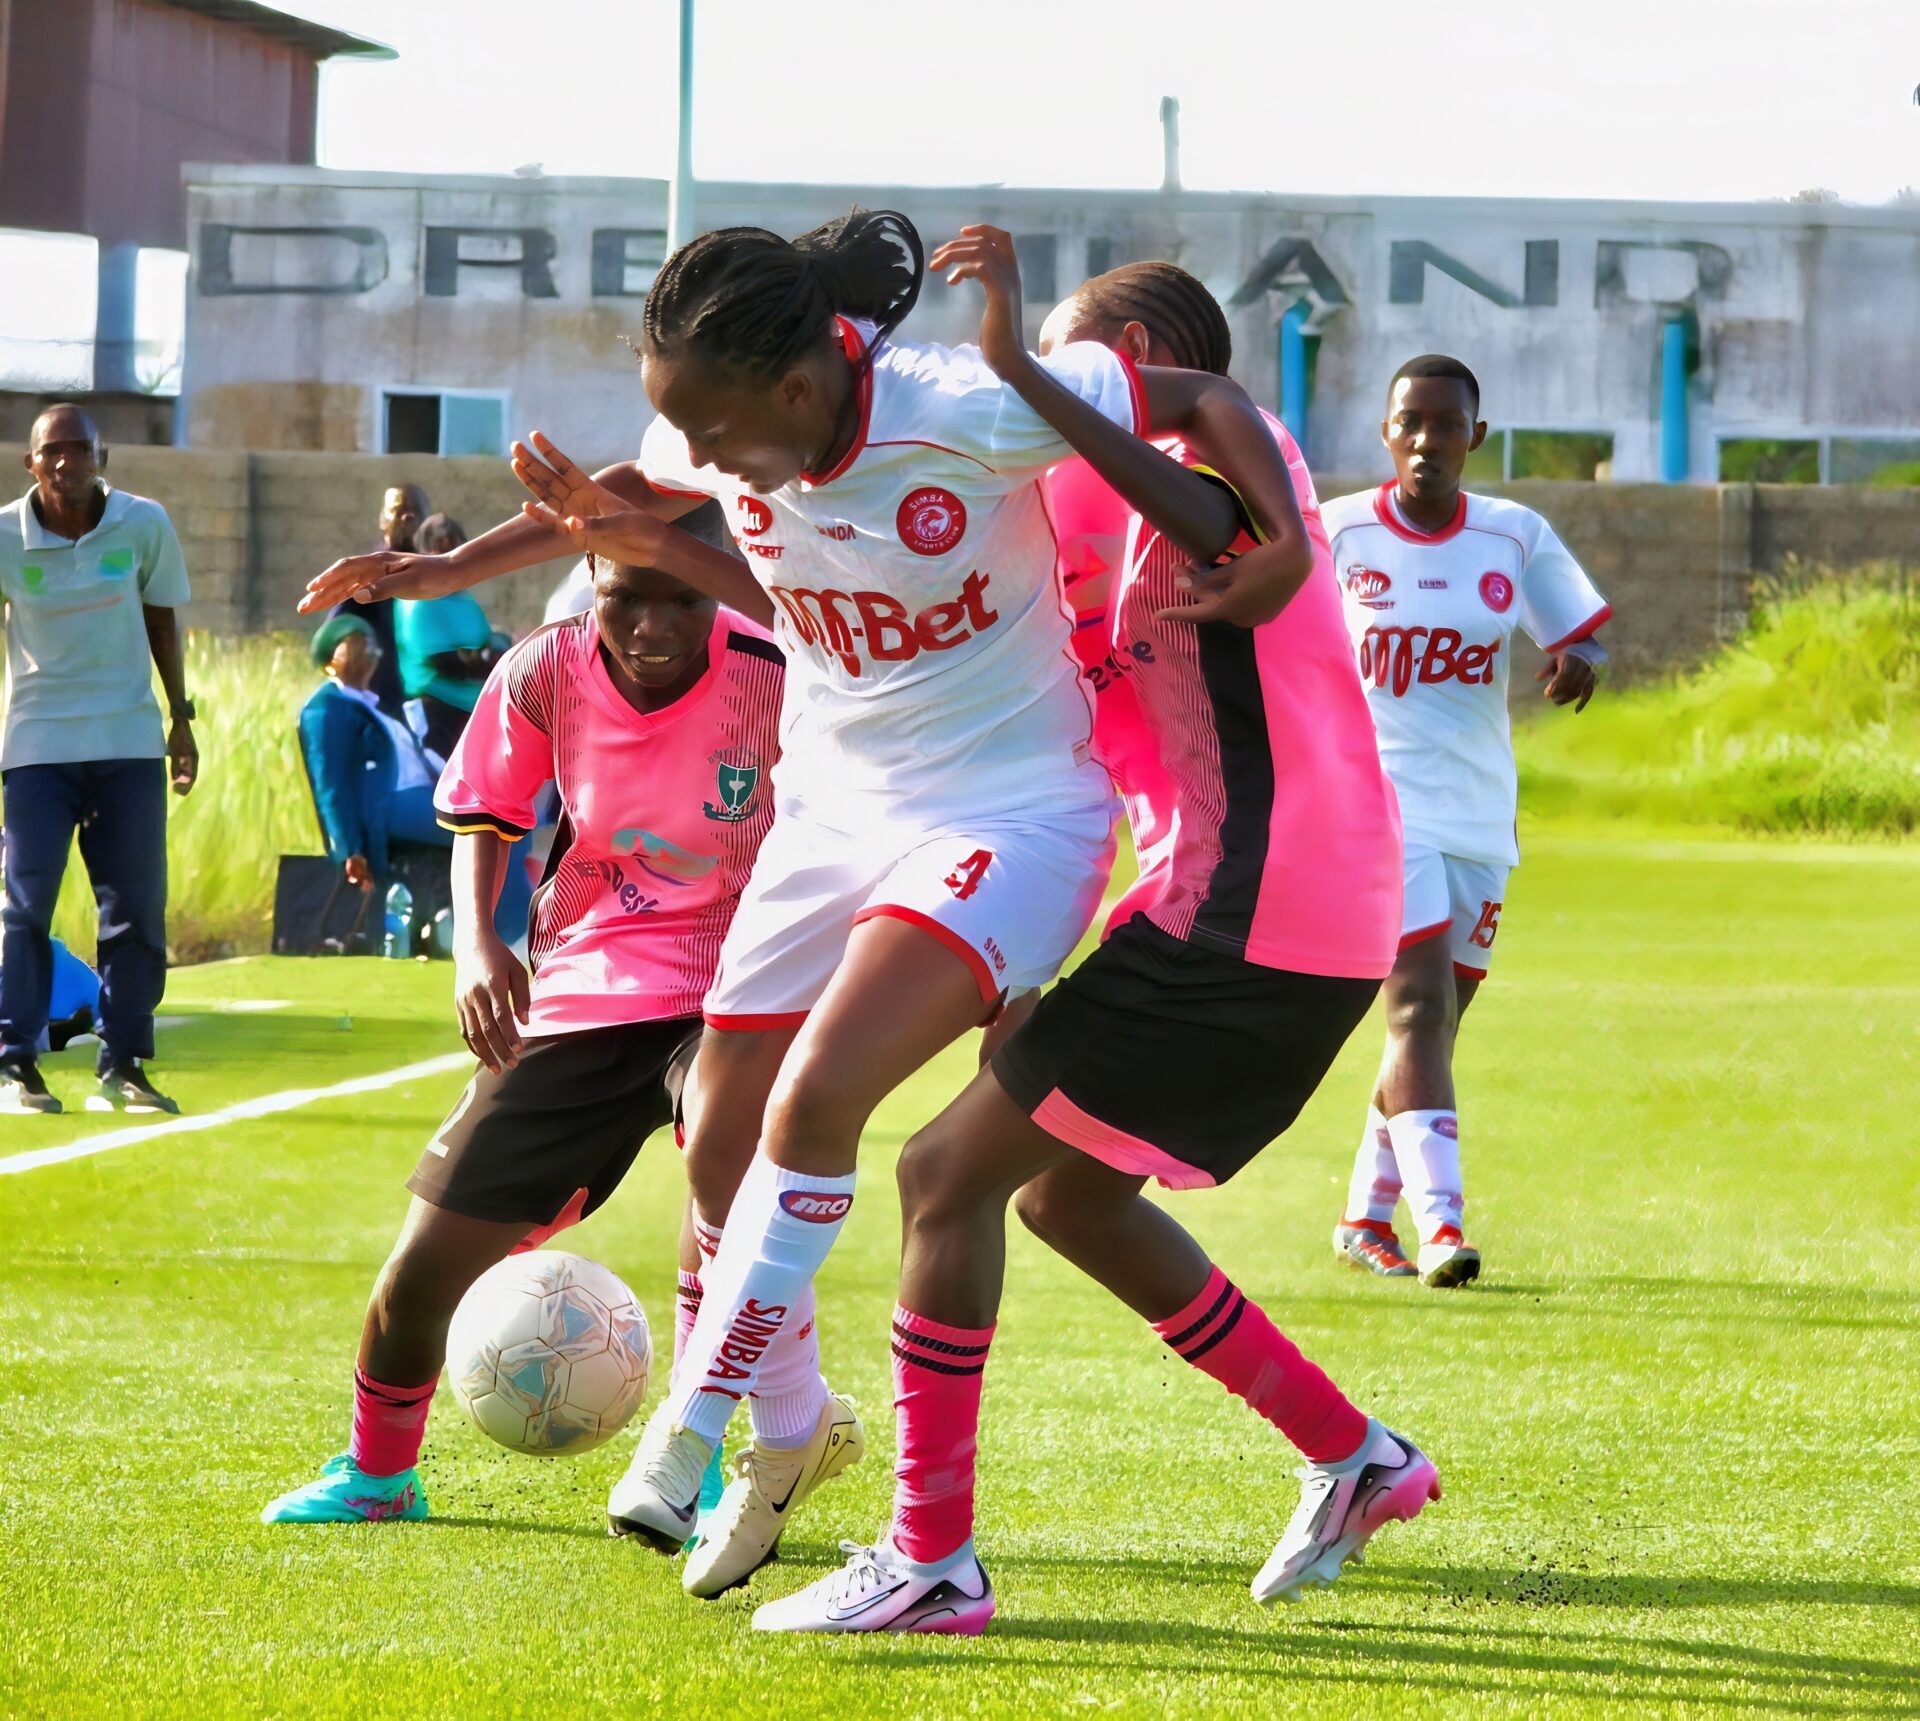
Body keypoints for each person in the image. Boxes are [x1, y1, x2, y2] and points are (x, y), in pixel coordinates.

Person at [298, 209, 1314, 1598]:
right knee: (719, 1128)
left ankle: (691, 1430)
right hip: (834, 807)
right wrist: (445, 571)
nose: (699, 467)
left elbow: (1200, 393)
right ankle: (792, 1430)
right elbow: (621, 491)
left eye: (713, 439)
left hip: (1009, 814)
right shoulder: (722, 420)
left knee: (815, 1101)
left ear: (795, 390)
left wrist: (1282, 539)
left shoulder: (960, 408)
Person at [751, 249, 1434, 1635]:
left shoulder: (1232, 463)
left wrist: (1014, 369)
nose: (1045, 384)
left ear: (1128, 360)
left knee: (943, 1175)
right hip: (1222, 900)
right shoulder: (1074, 507)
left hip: (1261, 900)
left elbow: (1242, 539)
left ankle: (931, 1554)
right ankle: (1354, 1455)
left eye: (1072, 360)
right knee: (1065, 1197)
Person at [262, 549, 837, 1523]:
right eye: (625, 600)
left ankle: (688, 1458)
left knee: (728, 1188)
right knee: (419, 1271)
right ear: (591, 594)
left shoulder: (783, 674)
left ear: (717, 591)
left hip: (747, 979)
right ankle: (375, 1476)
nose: (650, 626)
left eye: (679, 601)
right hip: (590, 983)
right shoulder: (541, 668)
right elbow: (484, 812)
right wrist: (479, 946)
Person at [1324, 355, 1611, 1289]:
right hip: (1377, 809)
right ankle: (1443, 1228)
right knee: (1416, 1005)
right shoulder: (1341, 534)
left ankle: (1366, 1216)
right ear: (1386, 430)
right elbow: (1267, 629)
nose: (1426, 440)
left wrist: (1581, 658)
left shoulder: (1512, 536)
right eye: (1410, 421)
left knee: (1437, 1028)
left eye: (1446, 425)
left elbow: (1581, 632)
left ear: (1474, 438)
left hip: (1479, 811)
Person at [0, 404, 197, 1118]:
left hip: (128, 743)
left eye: (78, 449)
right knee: (25, 907)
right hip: (38, 747)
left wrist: (181, 718)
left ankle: (124, 1062)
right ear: (31, 463)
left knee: (136, 907)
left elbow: (161, 621)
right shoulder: (4, 535)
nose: (65, 462)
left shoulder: (143, 523)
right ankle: (15, 1060)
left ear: (100, 456)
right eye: (51, 451)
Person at [297, 613, 532, 947]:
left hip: (425, 794)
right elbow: (329, 784)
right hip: (392, 803)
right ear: (331, 658)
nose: (368, 652)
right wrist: (348, 848)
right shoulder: (327, 708)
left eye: (370, 644)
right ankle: (513, 938)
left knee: (511, 821)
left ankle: (510, 929)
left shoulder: (375, 708)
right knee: (492, 827)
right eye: (355, 645)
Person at [395, 514, 502, 757]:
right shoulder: (419, 600)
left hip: (473, 707)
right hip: (437, 710)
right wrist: (486, 663)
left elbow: (485, 640)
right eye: (447, 548)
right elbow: (442, 662)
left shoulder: (462, 598)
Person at [330, 483, 427, 717]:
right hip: (380, 705)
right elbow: (336, 634)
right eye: (399, 509)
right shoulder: (365, 576)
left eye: (416, 511)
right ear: (383, 520)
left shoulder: (438, 576)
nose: (408, 517)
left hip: (430, 709)